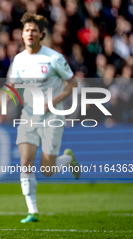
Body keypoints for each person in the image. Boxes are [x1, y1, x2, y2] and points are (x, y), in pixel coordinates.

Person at [8, 13, 80, 223]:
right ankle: (32, 211)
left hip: (52, 116)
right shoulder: (19, 59)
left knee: (47, 170)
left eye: (34, 30)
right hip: (29, 115)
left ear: (41, 34)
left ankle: (67, 159)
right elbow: (12, 85)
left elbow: (72, 83)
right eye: (26, 30)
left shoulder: (53, 58)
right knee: (25, 162)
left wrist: (55, 100)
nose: (30, 34)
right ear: (22, 35)